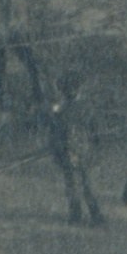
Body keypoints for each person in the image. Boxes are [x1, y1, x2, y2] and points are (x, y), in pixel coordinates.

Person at [46, 81, 105, 226]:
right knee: (81, 184)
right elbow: (96, 132)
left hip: (76, 150)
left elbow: (55, 132)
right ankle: (86, 214)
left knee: (79, 184)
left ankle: (84, 214)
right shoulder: (79, 108)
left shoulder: (62, 110)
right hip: (77, 150)